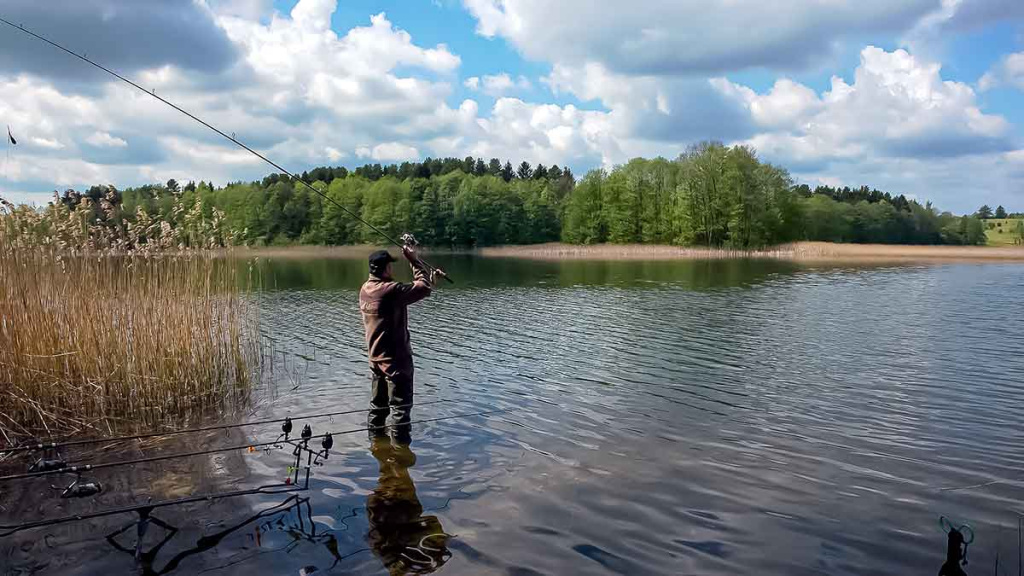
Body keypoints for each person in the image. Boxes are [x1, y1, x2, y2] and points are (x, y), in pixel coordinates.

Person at [360, 246, 438, 438]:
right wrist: (414, 260)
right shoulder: (390, 290)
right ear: (386, 269)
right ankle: (401, 458)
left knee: (378, 407)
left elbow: (419, 290)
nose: (391, 270)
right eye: (390, 267)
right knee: (400, 410)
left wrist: (430, 280)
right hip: (396, 361)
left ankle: (377, 447)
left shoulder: (365, 289)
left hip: (375, 360)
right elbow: (422, 288)